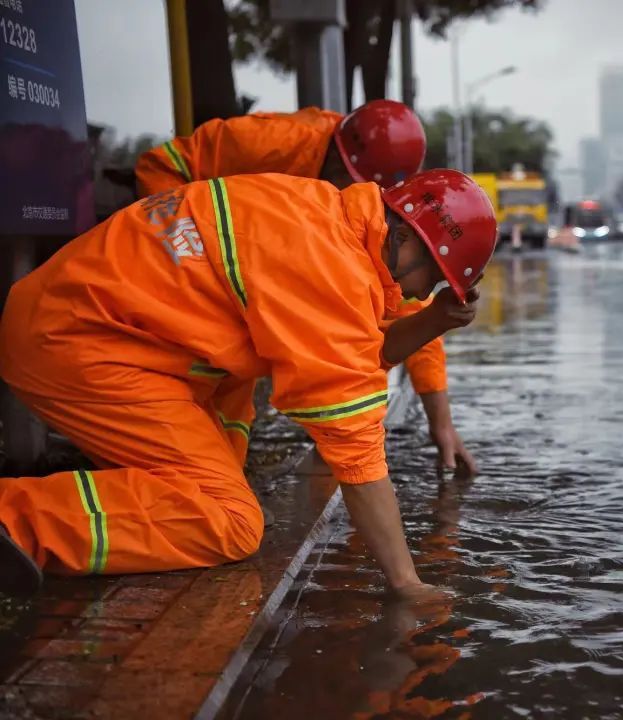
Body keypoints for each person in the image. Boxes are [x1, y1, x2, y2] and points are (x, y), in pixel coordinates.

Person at [0, 168, 496, 597]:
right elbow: (356, 447)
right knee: (228, 520)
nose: (421, 293)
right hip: (78, 344)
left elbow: (356, 352)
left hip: (94, 323)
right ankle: (17, 521)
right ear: (409, 242)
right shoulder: (332, 270)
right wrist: (407, 584)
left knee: (220, 468)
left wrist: (434, 320)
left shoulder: (325, 213)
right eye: (431, 280)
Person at [135, 100, 476, 475]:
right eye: (349, 182)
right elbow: (161, 165)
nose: (356, 195)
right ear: (336, 156)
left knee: (226, 446)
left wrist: (441, 423)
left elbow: (411, 309)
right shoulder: (273, 141)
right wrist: (177, 258)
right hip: (173, 271)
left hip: (232, 305)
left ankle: (217, 487)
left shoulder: (370, 219)